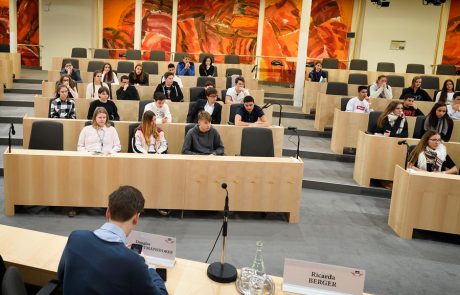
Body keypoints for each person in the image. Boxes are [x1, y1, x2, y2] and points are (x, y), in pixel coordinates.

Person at [58, 186, 168, 295]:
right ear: (136, 218)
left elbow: (62, 275)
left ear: (107, 212)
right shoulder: (134, 262)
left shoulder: (76, 238)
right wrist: (149, 267)